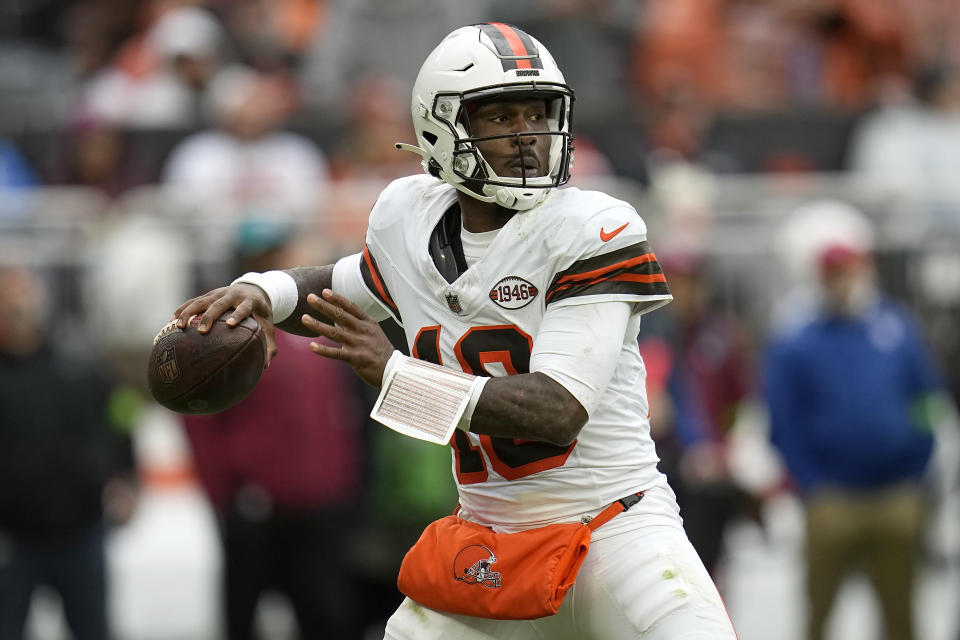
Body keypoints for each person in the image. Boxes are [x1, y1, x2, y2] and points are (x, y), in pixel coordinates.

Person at [171, 24, 738, 639]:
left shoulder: (591, 228)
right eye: (501, 117)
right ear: (441, 129)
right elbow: (348, 278)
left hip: (613, 534)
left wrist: (393, 374)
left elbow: (557, 409)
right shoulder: (407, 218)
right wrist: (262, 292)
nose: (527, 135)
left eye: (537, 112)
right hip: (490, 542)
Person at [181, 220, 368, 640]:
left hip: (320, 508)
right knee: (245, 615)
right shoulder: (228, 333)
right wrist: (228, 495)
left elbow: (342, 417)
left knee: (324, 615)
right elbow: (200, 421)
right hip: (256, 508)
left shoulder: (326, 323)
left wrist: (346, 485)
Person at [764, 236, 946, 640]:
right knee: (819, 613)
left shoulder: (897, 329)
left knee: (902, 614)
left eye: (848, 273)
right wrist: (810, 483)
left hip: (897, 495)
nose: (842, 283)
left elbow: (927, 399)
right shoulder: (799, 342)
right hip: (832, 499)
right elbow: (783, 422)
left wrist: (919, 461)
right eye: (833, 276)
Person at [0, 265, 137, 640]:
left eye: (23, 293)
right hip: (11, 540)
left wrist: (127, 477)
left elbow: (122, 413)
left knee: (93, 628)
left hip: (82, 531)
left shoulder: (80, 362)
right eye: (7, 296)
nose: (17, 304)